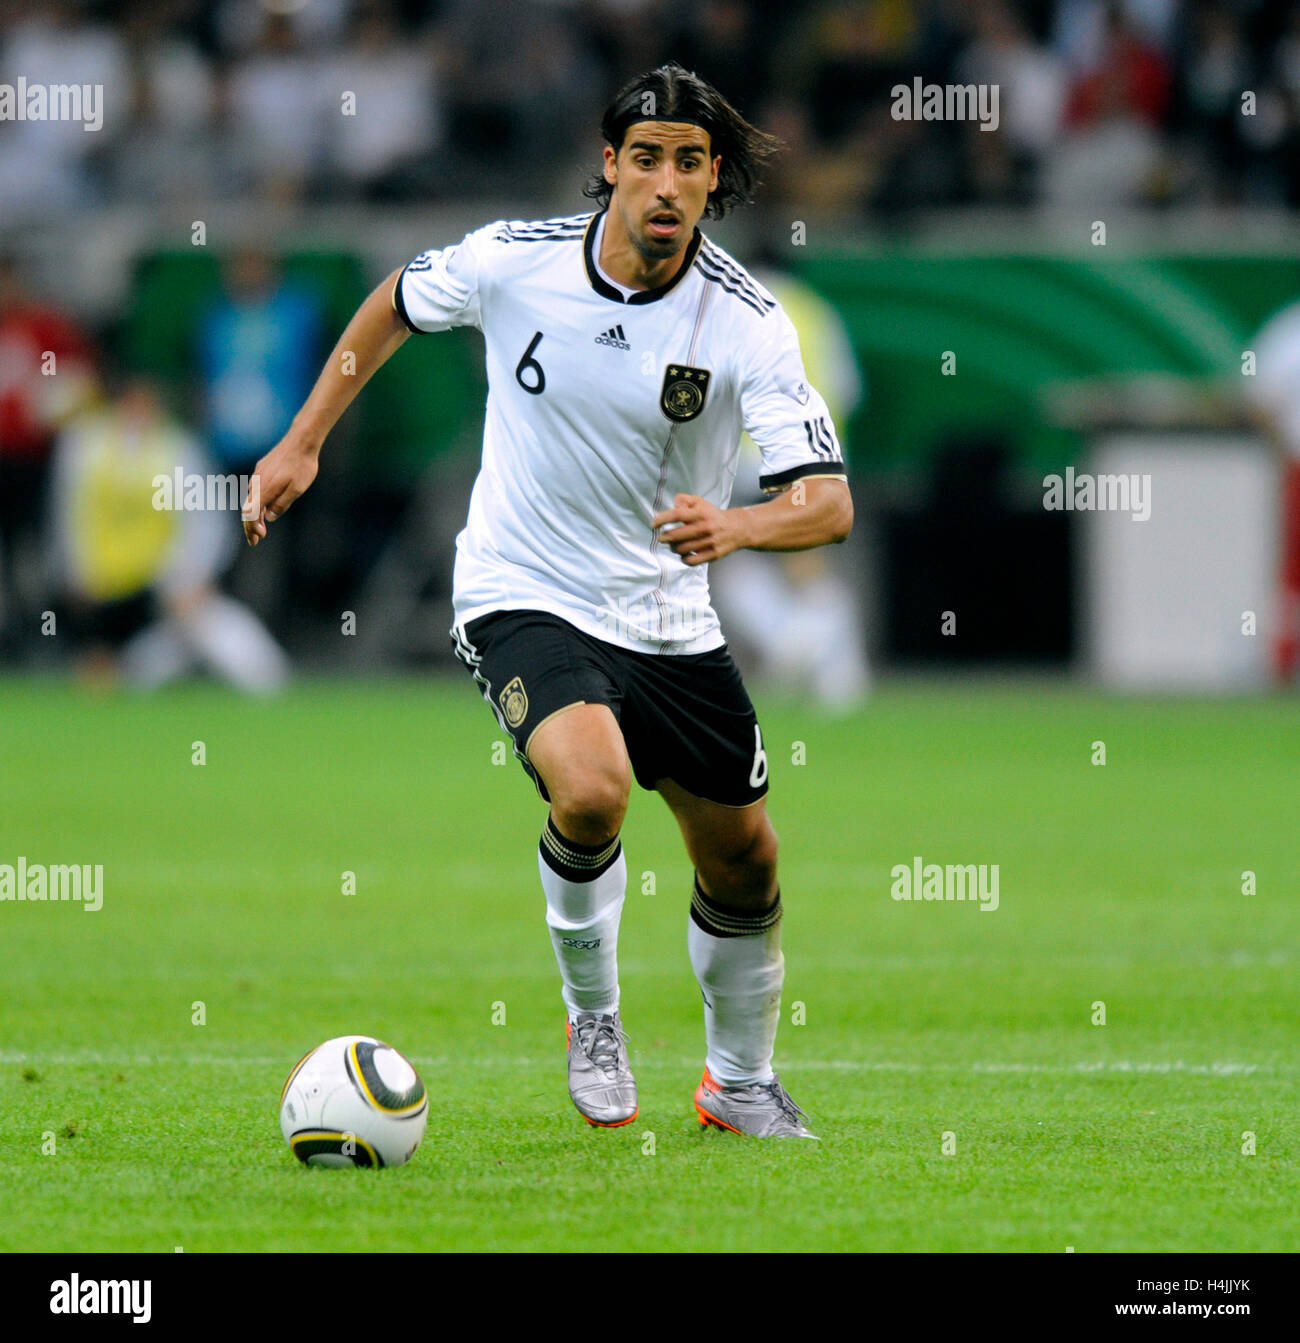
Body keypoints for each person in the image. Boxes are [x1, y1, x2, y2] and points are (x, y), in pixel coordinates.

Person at [243, 63, 852, 1139]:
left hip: (669, 614)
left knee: (746, 855)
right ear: (610, 165)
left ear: (713, 182)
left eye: (691, 164)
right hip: (522, 587)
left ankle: (739, 1083)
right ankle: (594, 1016)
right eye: (648, 158)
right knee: (591, 789)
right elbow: (391, 301)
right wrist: (301, 441)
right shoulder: (512, 263)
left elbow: (827, 500)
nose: (667, 183)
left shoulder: (748, 322)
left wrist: (743, 524)